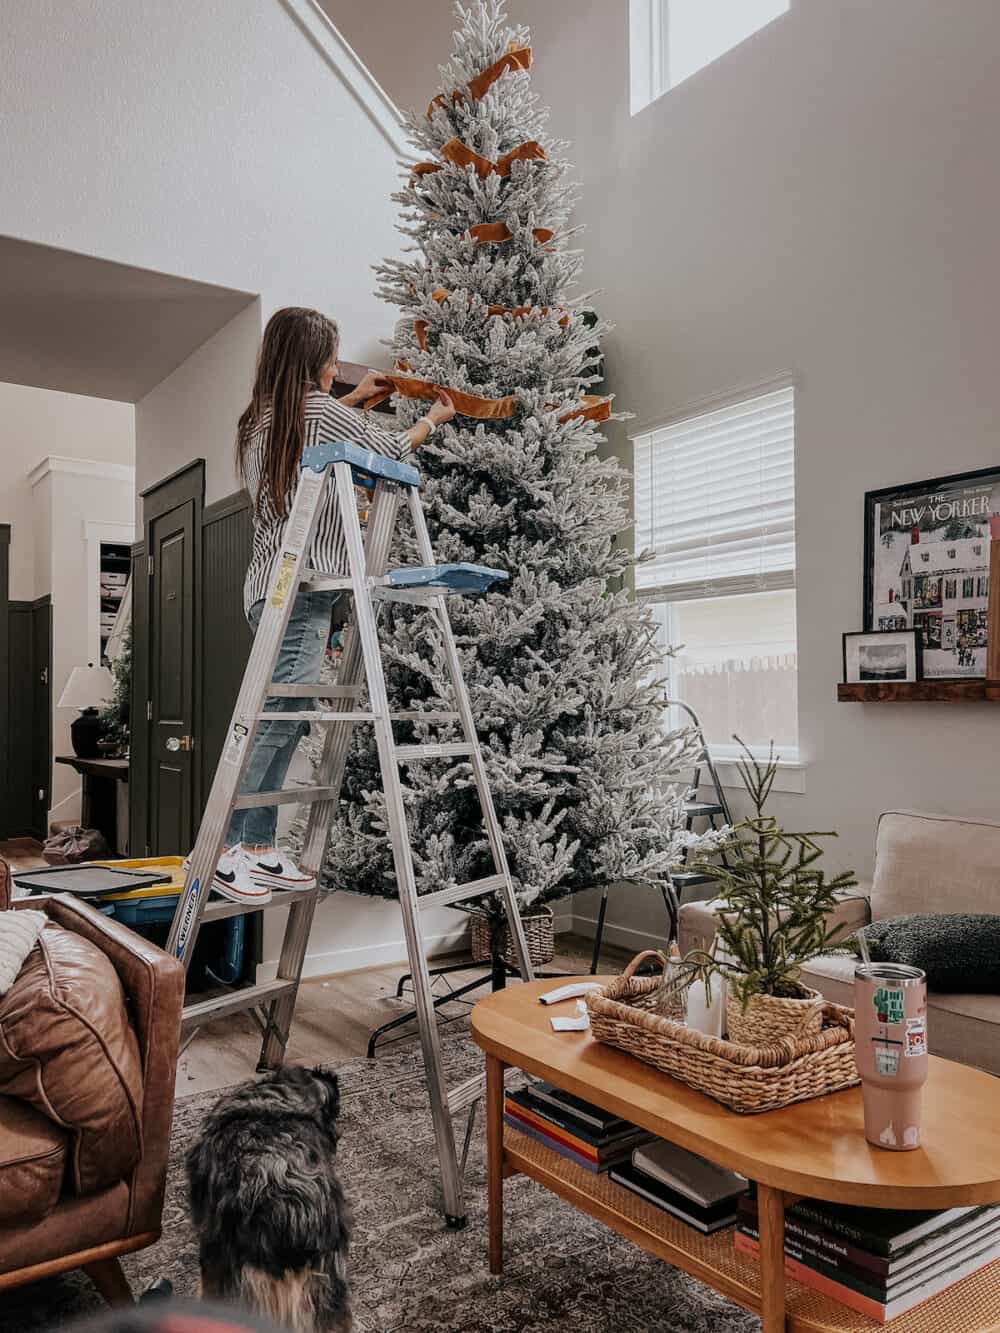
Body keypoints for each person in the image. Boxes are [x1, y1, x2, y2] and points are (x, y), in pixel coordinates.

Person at [198, 307, 455, 904]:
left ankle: (257, 846)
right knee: (281, 717)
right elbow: (391, 449)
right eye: (332, 357)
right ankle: (229, 847)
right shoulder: (316, 412)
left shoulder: (265, 417)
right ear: (315, 361)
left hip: (274, 587)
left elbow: (320, 438)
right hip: (303, 593)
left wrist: (356, 398)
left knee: (287, 714)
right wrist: (435, 419)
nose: (338, 366)